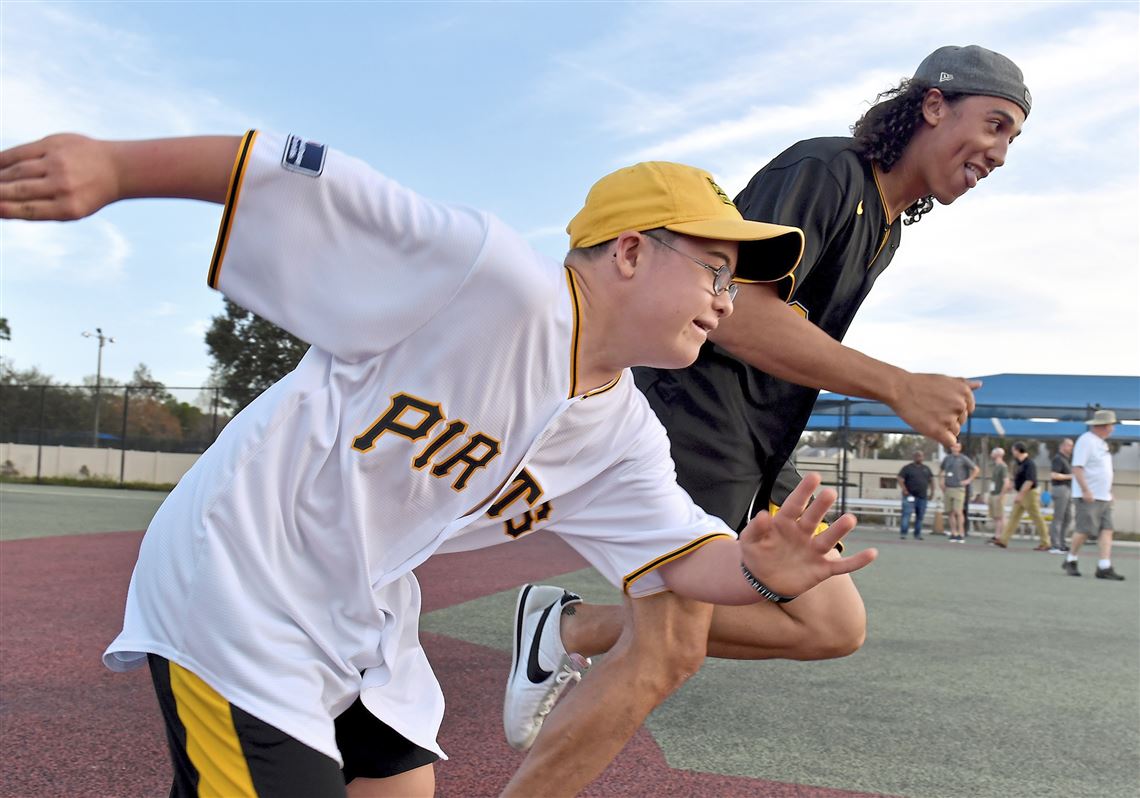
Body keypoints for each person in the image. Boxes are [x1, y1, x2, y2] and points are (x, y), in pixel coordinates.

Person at [0, 132, 879, 797]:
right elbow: (284, 169)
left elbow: (681, 556)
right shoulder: (487, 277)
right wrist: (115, 168)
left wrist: (761, 571)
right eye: (715, 269)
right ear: (631, 250)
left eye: (734, 284)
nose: (726, 302)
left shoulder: (623, 432)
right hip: (236, 584)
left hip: (363, 618)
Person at [502, 44, 1031, 793]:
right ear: (934, 104)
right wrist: (898, 385)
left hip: (762, 444)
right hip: (697, 420)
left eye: (1014, 139)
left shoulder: (885, 226)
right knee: (667, 651)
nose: (1002, 153)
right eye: (997, 123)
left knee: (832, 626)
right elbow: (733, 311)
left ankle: (569, 627)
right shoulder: (825, 171)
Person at [1063, 411, 1125, 580]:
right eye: (1111, 426)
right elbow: (1077, 467)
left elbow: (1101, 470)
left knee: (1107, 529)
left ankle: (1104, 566)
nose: (1112, 429)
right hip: (1089, 496)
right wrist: (1085, 490)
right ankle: (1071, 559)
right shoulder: (1086, 440)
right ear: (1102, 426)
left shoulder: (1101, 443)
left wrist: (1108, 491)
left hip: (1102, 496)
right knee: (1084, 530)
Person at [989, 441, 1050, 550]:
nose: (1012, 452)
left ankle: (1046, 542)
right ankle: (1003, 540)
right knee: (1014, 517)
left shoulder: (1029, 464)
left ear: (1017, 450)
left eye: (1013, 450)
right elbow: (1017, 479)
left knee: (1037, 518)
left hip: (1029, 494)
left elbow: (1029, 481)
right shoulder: (1019, 464)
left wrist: (1020, 495)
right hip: (1021, 493)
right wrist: (1011, 487)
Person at [940, 441, 980, 542]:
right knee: (950, 512)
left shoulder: (963, 458)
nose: (955, 448)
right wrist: (941, 482)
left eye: (957, 446)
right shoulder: (947, 458)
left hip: (959, 488)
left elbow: (976, 469)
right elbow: (941, 470)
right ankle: (954, 533)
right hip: (948, 487)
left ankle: (961, 533)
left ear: (960, 448)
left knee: (958, 511)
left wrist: (968, 480)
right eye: (954, 446)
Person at [897, 450, 935, 539]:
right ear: (914, 457)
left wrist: (932, 492)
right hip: (909, 495)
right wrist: (904, 489)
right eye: (917, 456)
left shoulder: (926, 469)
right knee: (906, 514)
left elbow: (932, 481)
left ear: (923, 457)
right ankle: (903, 533)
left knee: (920, 516)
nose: (919, 457)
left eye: (921, 456)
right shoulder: (907, 468)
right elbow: (899, 478)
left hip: (922, 496)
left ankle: (917, 534)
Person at [1049, 437, 1074, 553]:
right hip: (1060, 489)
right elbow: (1054, 475)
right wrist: (1071, 476)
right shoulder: (1058, 459)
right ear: (1063, 446)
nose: (1071, 448)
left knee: (1067, 517)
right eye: (1069, 445)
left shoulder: (1067, 459)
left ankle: (1062, 542)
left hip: (1067, 489)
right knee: (1058, 517)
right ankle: (1055, 545)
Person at [988, 446, 1010, 533]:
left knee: (1000, 516)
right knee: (995, 516)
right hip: (993, 494)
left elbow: (1006, 482)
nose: (991, 454)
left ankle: (1000, 536)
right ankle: (997, 535)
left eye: (993, 452)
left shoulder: (1003, 467)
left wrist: (1002, 494)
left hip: (998, 494)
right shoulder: (995, 466)